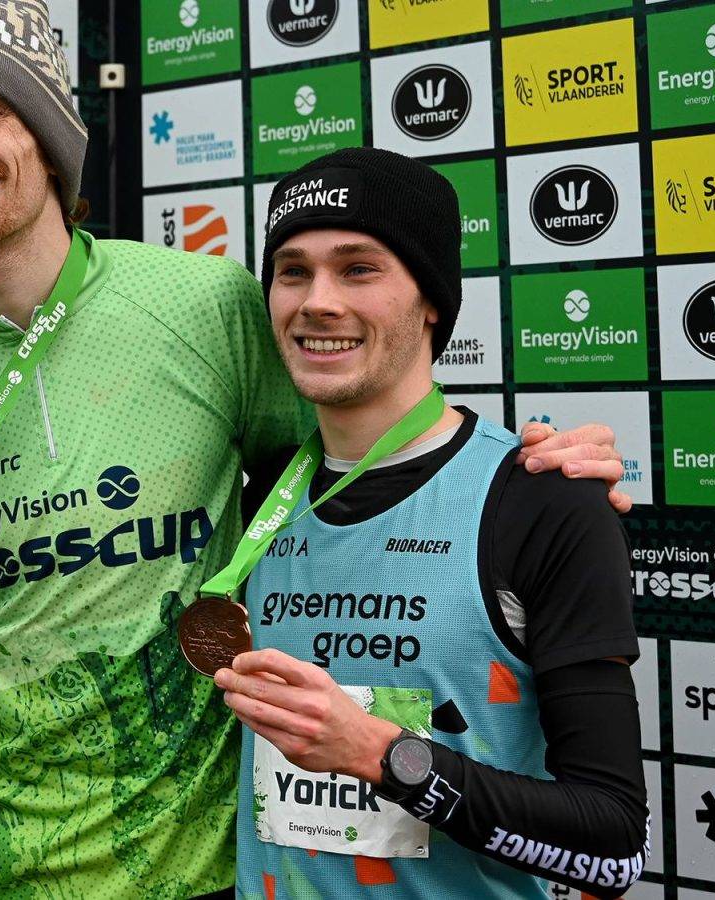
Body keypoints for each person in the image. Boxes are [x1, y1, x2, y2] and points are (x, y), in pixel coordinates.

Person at [0, 2, 629, 896]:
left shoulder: (203, 304)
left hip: (187, 872)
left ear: (48, 141)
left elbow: (354, 453)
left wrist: (529, 475)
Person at [218, 147, 648, 899]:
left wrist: (384, 755)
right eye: (293, 270)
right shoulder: (255, 503)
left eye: (359, 269)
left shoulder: (544, 497)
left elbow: (613, 847)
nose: (317, 300)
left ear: (432, 302)